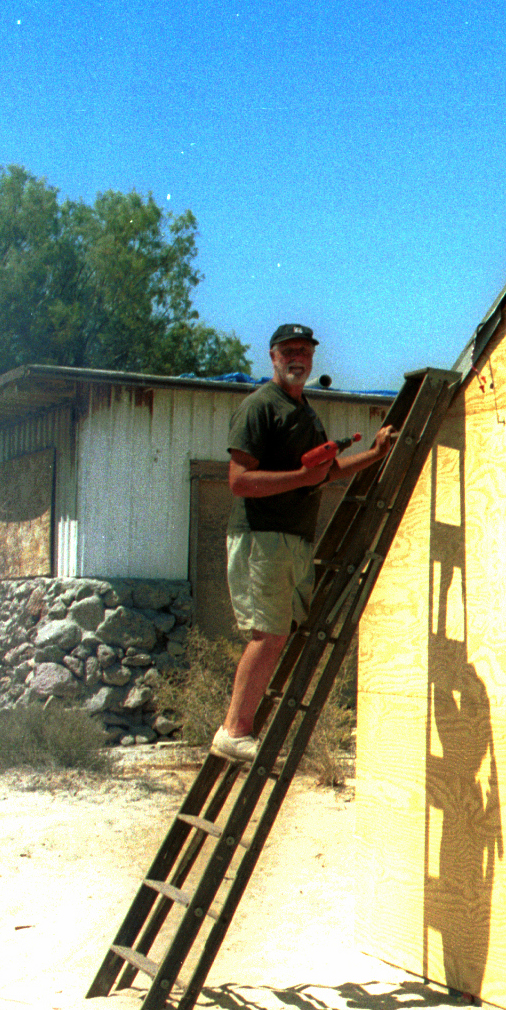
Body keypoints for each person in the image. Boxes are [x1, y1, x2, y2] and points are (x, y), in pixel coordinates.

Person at [212, 323, 395, 764]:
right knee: (269, 634)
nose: (298, 357)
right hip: (261, 537)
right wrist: (300, 477)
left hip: (293, 538)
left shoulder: (306, 412)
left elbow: (325, 473)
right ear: (272, 356)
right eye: (289, 350)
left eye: (305, 351)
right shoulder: (260, 407)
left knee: (279, 633)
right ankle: (233, 732)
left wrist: (374, 454)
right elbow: (238, 481)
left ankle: (241, 727)